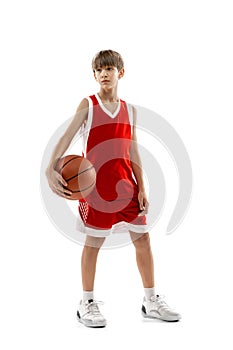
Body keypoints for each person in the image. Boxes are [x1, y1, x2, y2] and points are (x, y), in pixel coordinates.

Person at [46, 50, 181, 328]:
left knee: (143, 240)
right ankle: (86, 302)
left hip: (126, 187)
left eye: (109, 68)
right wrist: (50, 167)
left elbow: (133, 150)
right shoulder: (88, 104)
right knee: (93, 245)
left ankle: (151, 300)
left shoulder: (130, 109)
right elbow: (67, 135)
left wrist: (142, 186)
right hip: (96, 191)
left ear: (121, 72)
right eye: (99, 70)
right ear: (94, 75)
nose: (104, 74)